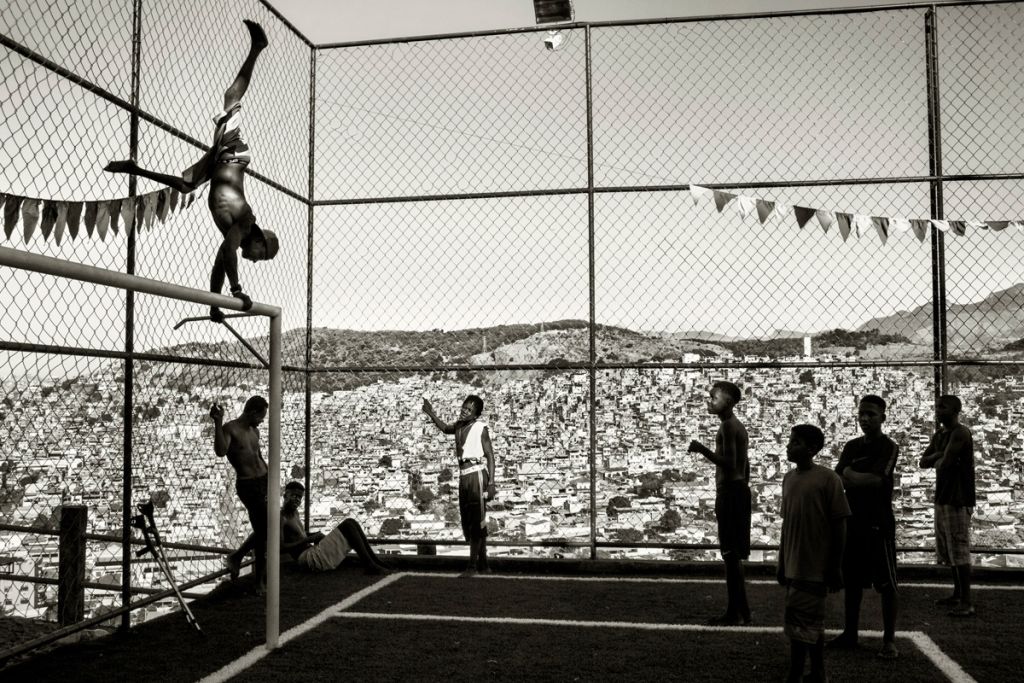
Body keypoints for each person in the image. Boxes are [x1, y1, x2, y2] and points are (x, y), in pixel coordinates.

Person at [104, 19, 279, 323]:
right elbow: (228, 253)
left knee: (184, 186)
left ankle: (136, 169)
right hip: (232, 155)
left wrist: (214, 304)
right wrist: (236, 291)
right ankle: (257, 49)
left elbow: (220, 263)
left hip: (220, 164)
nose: (253, 259)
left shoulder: (233, 236)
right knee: (230, 98)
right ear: (259, 240)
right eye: (259, 255)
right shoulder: (245, 221)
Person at [828, 395, 900, 659]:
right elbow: (839, 476)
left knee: (887, 582)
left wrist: (851, 475)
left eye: (871, 414)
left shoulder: (888, 446)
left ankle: (889, 640)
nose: (865, 419)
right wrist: (855, 477)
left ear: (883, 417)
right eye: (861, 415)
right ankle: (850, 633)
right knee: (853, 580)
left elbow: (876, 481)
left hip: (878, 522)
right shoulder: (852, 445)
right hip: (854, 520)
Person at [777, 424, 850, 683]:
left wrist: (835, 564)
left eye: (794, 442)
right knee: (810, 622)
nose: (788, 445)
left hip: (814, 563)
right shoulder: (789, 478)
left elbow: (840, 523)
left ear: (811, 449)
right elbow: (787, 524)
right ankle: (818, 672)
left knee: (799, 625)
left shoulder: (829, 479)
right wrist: (781, 560)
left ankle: (795, 674)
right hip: (796, 562)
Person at [687, 380, 751, 626]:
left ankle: (734, 613)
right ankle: (741, 611)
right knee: (734, 555)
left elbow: (731, 463)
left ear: (729, 402)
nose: (709, 401)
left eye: (714, 398)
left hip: (731, 491)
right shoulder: (736, 426)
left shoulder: (728, 427)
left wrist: (701, 449)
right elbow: (744, 467)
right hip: (738, 490)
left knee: (730, 555)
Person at [422, 395, 496, 576]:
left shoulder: (480, 428)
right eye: (464, 407)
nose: (465, 411)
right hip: (464, 476)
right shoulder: (459, 426)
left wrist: (492, 483)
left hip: (477, 474)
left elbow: (490, 456)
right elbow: (445, 428)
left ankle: (472, 567)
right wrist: (431, 413)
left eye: (469, 410)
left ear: (476, 414)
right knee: (473, 520)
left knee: (475, 521)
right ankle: (484, 564)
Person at [919, 394, 976, 618]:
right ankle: (957, 594)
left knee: (959, 549)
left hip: (958, 498)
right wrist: (941, 454)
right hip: (943, 496)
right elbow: (923, 462)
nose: (938, 410)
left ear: (956, 410)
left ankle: (967, 601)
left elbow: (942, 464)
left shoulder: (960, 432)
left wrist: (938, 456)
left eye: (943, 407)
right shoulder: (941, 435)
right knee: (950, 549)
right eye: (937, 406)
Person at [211, 395, 269, 595]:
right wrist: (218, 423)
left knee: (265, 529)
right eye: (261, 416)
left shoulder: (255, 432)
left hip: (263, 481)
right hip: (248, 484)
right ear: (252, 412)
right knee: (265, 531)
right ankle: (258, 580)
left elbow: (258, 457)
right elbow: (220, 451)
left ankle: (238, 558)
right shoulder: (231, 429)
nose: (262, 420)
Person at [279, 481, 390, 574]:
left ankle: (375, 561)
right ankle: (370, 565)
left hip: (311, 552)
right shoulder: (281, 518)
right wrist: (308, 539)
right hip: (306, 559)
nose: (296, 499)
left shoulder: (295, 513)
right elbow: (281, 547)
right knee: (348, 525)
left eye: (299, 497)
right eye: (293, 495)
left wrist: (313, 535)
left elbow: (299, 535)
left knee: (352, 522)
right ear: (285, 495)